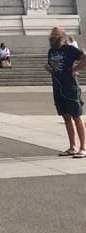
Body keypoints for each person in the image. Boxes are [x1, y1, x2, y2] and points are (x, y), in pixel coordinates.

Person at [45, 26, 86, 157]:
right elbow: (55, 69)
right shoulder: (51, 51)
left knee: (76, 117)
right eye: (52, 35)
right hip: (57, 87)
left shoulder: (69, 49)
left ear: (62, 37)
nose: (53, 38)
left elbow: (84, 56)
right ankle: (72, 146)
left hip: (70, 88)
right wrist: (49, 69)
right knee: (66, 117)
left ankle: (83, 147)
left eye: (56, 36)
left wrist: (75, 69)